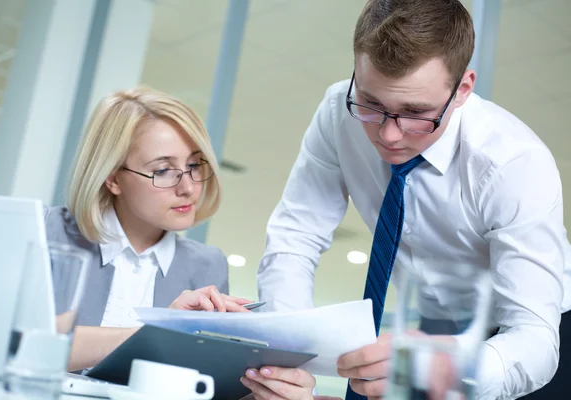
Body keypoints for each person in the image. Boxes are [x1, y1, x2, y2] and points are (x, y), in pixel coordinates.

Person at [256, 0, 571, 399]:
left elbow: (535, 339)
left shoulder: (514, 163)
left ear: (463, 89)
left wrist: (452, 367)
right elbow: (295, 237)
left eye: (416, 112)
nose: (389, 135)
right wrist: (288, 354)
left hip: (530, 336)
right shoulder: (339, 112)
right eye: (372, 104)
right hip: (434, 320)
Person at [45, 86, 252, 371]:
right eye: (162, 170)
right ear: (112, 179)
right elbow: (14, 344)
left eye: (194, 164)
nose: (189, 188)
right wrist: (158, 333)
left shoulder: (208, 266)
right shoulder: (47, 233)